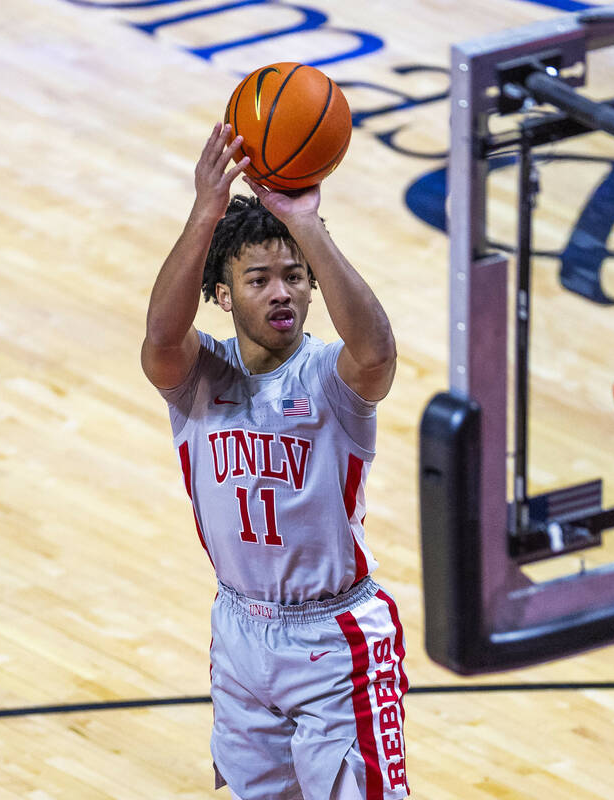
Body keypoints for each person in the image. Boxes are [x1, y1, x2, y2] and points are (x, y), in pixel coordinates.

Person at [141, 124, 409, 800]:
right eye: (259, 279)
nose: (282, 292)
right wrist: (206, 210)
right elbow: (159, 340)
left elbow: (377, 351)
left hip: (335, 638)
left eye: (295, 277)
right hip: (239, 631)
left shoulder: (331, 379)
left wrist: (306, 224)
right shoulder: (199, 378)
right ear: (225, 296)